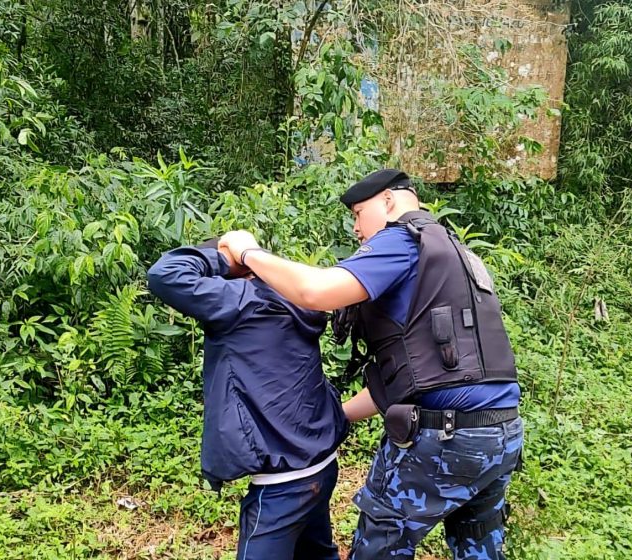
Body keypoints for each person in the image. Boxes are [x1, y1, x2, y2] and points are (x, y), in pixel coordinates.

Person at [219, 168, 524, 560]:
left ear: (389, 201)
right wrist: (336, 417)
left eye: (358, 213)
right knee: (478, 543)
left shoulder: (401, 240)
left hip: (443, 436)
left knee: (379, 545)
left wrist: (249, 252)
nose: (356, 229)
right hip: (502, 435)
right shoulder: (457, 253)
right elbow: (422, 377)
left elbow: (315, 291)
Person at [147, 238, 349, 560]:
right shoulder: (293, 297)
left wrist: (231, 259)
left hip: (281, 483)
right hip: (321, 464)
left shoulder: (241, 301)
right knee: (318, 553)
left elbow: (165, 273)